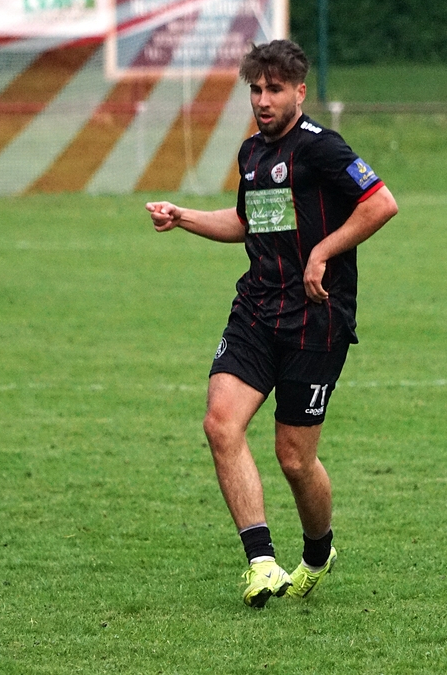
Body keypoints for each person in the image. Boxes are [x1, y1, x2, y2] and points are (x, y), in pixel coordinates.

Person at [145, 39, 398, 609]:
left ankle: (318, 552)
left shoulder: (321, 148)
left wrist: (322, 252)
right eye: (256, 89)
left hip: (317, 318)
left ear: (299, 92)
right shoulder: (252, 155)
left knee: (294, 458)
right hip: (257, 310)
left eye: (275, 90)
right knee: (220, 424)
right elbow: (247, 223)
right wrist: (183, 216)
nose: (263, 100)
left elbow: (381, 203)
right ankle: (261, 562)